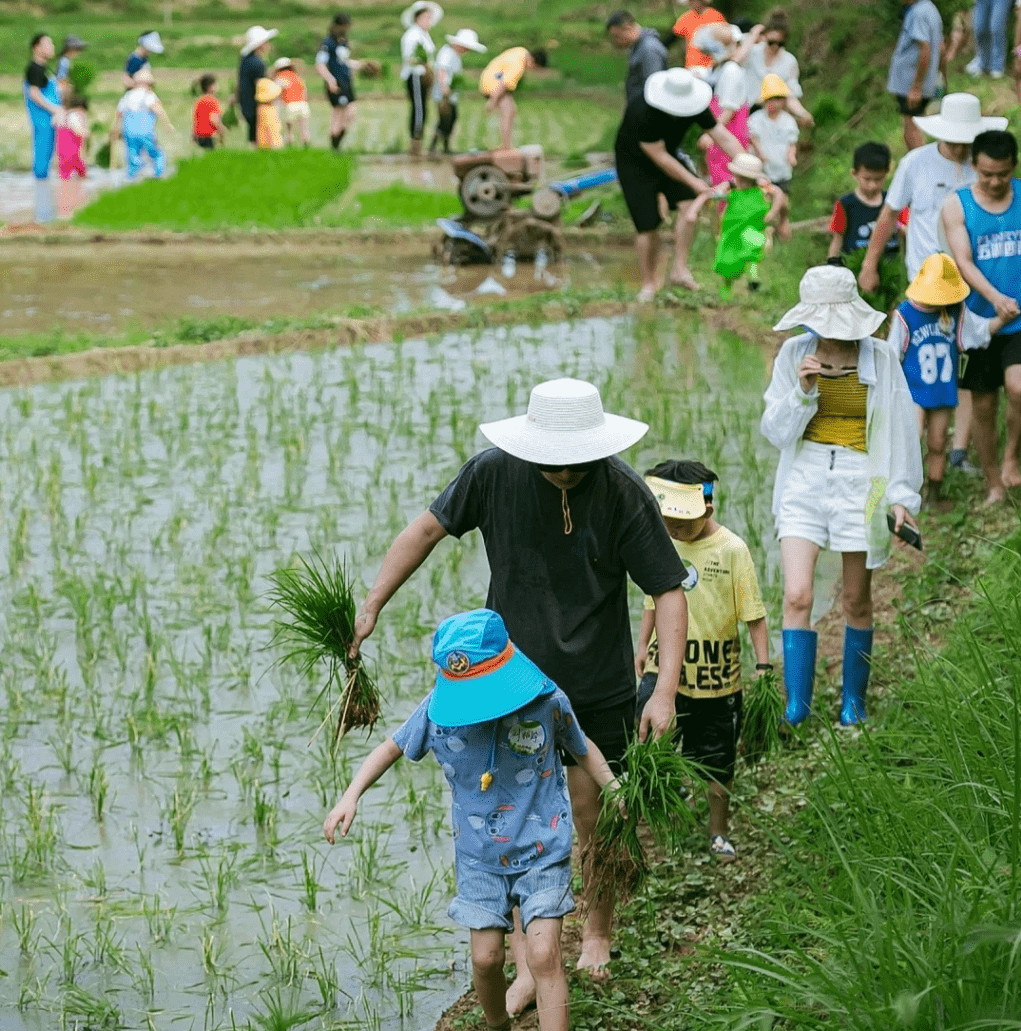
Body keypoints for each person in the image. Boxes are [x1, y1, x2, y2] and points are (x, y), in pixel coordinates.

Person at [348, 378, 689, 1006]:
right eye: (550, 462)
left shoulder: (622, 492)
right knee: (511, 818)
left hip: (597, 680)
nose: (562, 472)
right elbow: (425, 531)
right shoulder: (493, 474)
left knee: (594, 812)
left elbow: (668, 588)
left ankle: (599, 928)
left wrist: (663, 690)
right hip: (504, 687)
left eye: (574, 462)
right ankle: (533, 958)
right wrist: (372, 606)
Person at [327, 609, 619, 1031]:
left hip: (542, 847)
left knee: (543, 955)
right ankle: (498, 1024)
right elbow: (390, 748)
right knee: (486, 960)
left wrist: (612, 787)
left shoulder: (545, 701)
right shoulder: (436, 713)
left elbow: (582, 746)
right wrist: (350, 795)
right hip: (479, 859)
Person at [762, 266, 922, 725]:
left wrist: (901, 497)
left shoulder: (880, 358)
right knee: (796, 595)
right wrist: (802, 390)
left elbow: (898, 430)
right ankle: (798, 704)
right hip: (805, 475)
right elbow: (774, 432)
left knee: (856, 598)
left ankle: (853, 701)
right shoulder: (795, 353)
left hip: (861, 478)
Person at [860, 93, 1007, 471]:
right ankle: (914, 451)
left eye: (967, 138)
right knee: (922, 362)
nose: (960, 146)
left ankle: (957, 452)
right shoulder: (917, 163)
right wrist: (870, 264)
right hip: (927, 287)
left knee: (967, 363)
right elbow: (890, 215)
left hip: (976, 280)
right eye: (955, 137)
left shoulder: (982, 167)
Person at [635, 461, 769, 860]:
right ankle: (655, 809)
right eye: (668, 521)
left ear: (707, 510)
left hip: (716, 680)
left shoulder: (732, 550)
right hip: (663, 672)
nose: (673, 530)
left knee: (717, 761)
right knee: (645, 739)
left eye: (681, 523)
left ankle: (717, 830)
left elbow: (755, 615)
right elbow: (650, 601)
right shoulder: (663, 542)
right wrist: (641, 645)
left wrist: (763, 667)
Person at [941, 130, 1021, 504]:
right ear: (974, 167)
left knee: (1020, 386)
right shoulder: (957, 205)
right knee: (983, 406)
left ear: (1014, 165)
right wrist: (995, 296)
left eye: (1002, 173)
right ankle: (992, 482)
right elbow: (963, 260)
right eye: (987, 174)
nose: (995, 181)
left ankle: (1012, 456)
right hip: (977, 323)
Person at [614, 68, 743, 301]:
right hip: (634, 163)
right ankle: (648, 284)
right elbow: (659, 156)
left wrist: (748, 166)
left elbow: (721, 135)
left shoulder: (696, 104)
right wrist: (695, 182)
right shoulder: (641, 110)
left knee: (688, 205)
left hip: (669, 155)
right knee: (647, 224)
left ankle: (679, 270)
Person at [887, 254, 1001, 511]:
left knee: (938, 441)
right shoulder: (905, 314)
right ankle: (901, 493)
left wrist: (1004, 318)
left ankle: (933, 494)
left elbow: (977, 333)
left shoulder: (955, 311)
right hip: (913, 390)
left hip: (942, 390)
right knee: (912, 437)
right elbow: (891, 354)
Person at [685, 153, 787, 299]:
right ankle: (727, 288)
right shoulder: (729, 187)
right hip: (731, 230)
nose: (744, 182)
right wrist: (693, 210)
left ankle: (753, 278)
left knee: (753, 249)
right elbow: (708, 195)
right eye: (741, 178)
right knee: (728, 260)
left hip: (753, 228)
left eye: (748, 179)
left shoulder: (762, 187)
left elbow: (779, 193)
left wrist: (773, 212)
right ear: (735, 174)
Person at [883, 0, 943, 150]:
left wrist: (916, 87)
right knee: (912, 125)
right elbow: (941, 45)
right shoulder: (929, 9)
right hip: (920, 81)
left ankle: (919, 165)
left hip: (912, 83)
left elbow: (924, 49)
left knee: (912, 128)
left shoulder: (918, 13)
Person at [692, 22, 750, 189]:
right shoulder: (718, 68)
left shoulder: (731, 70)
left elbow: (729, 108)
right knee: (718, 179)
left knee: (730, 181)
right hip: (720, 136)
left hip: (729, 134)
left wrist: (711, 134)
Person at [748, 74, 812, 216]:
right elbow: (753, 138)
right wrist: (760, 153)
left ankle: (782, 227)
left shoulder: (788, 121)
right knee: (764, 200)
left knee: (783, 204)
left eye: (778, 99)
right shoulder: (757, 119)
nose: (774, 103)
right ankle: (766, 226)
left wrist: (791, 155)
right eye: (771, 99)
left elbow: (792, 142)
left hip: (782, 170)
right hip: (763, 170)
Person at [828, 142, 902, 264]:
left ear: (886, 173)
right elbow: (837, 238)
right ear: (855, 174)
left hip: (889, 264)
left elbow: (905, 228)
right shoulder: (846, 204)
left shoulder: (893, 201)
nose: (872, 185)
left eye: (878, 179)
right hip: (855, 263)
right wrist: (832, 262)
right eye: (867, 179)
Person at [739, 12, 812, 124]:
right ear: (764, 36)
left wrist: (803, 113)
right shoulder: (751, 52)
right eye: (771, 42)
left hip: (771, 117)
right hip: (745, 111)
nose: (775, 47)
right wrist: (752, 35)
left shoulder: (789, 61)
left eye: (780, 43)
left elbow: (790, 96)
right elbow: (735, 61)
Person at [24, 33, 64, 223]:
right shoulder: (34, 69)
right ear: (37, 47)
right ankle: (42, 212)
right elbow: (34, 94)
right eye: (48, 43)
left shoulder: (42, 69)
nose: (52, 46)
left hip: (48, 120)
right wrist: (55, 108)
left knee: (48, 157)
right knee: (42, 158)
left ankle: (45, 207)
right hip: (42, 120)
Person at [479, 47, 548, 150]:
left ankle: (506, 145)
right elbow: (503, 84)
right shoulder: (518, 66)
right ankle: (506, 146)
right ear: (532, 60)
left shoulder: (521, 51)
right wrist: (493, 101)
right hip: (493, 85)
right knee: (508, 113)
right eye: (534, 67)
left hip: (492, 79)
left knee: (511, 111)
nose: (532, 70)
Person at [432, 28, 487, 155]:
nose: (467, 51)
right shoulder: (447, 53)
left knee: (451, 119)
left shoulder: (455, 55)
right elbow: (441, 70)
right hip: (443, 94)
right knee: (445, 120)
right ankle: (433, 148)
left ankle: (445, 147)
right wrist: (444, 87)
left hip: (451, 95)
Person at [112, 66, 172, 179]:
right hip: (144, 130)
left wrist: (114, 129)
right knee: (156, 153)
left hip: (128, 130)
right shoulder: (148, 95)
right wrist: (167, 124)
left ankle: (132, 176)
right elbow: (158, 110)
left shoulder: (127, 96)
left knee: (132, 154)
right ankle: (158, 174)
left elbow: (118, 114)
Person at [400, 0, 443, 159]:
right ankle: (415, 147)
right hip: (416, 76)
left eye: (430, 17)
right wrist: (425, 65)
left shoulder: (424, 35)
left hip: (425, 76)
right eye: (425, 17)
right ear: (416, 18)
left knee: (423, 109)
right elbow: (409, 59)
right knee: (419, 110)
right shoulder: (412, 35)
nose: (428, 21)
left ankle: (419, 144)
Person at [316, 14, 363, 150]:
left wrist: (361, 65)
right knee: (339, 113)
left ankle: (337, 143)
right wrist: (330, 80)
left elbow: (345, 62)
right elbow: (320, 64)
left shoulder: (343, 42)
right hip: (335, 82)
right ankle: (334, 147)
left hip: (346, 82)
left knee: (351, 113)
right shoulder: (328, 43)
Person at [606, 10, 669, 105]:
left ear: (627, 28)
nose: (615, 41)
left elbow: (654, 89)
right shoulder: (638, 46)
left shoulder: (649, 50)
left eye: (617, 36)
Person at [238, 24, 278, 146]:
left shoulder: (246, 59)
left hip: (246, 102)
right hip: (256, 105)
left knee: (252, 133)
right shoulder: (257, 63)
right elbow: (262, 86)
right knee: (259, 135)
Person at [671, 0, 725, 70]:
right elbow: (678, 38)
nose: (691, 3)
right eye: (690, 0)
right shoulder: (685, 18)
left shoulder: (715, 16)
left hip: (712, 65)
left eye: (694, 0)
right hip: (692, 65)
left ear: (701, 0)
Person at [273, 58, 310, 147]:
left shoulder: (280, 76)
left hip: (289, 104)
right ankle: (306, 143)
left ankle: (289, 143)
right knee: (303, 127)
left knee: (289, 128)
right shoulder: (297, 76)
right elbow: (304, 90)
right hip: (303, 104)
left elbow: (276, 90)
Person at [56, 93, 89, 181]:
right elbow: (79, 131)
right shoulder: (74, 116)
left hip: (63, 154)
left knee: (65, 176)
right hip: (73, 154)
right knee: (81, 175)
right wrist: (86, 133)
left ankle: (65, 191)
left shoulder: (64, 116)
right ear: (80, 108)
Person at [191, 75, 226, 149]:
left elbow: (195, 120)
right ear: (210, 86)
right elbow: (214, 119)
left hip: (199, 136)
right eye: (215, 84)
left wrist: (193, 136)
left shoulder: (198, 101)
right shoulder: (213, 101)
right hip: (209, 136)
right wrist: (221, 131)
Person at [255, 74, 284, 150]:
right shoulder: (267, 110)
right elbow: (269, 128)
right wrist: (273, 144)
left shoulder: (261, 108)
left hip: (263, 145)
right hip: (270, 145)